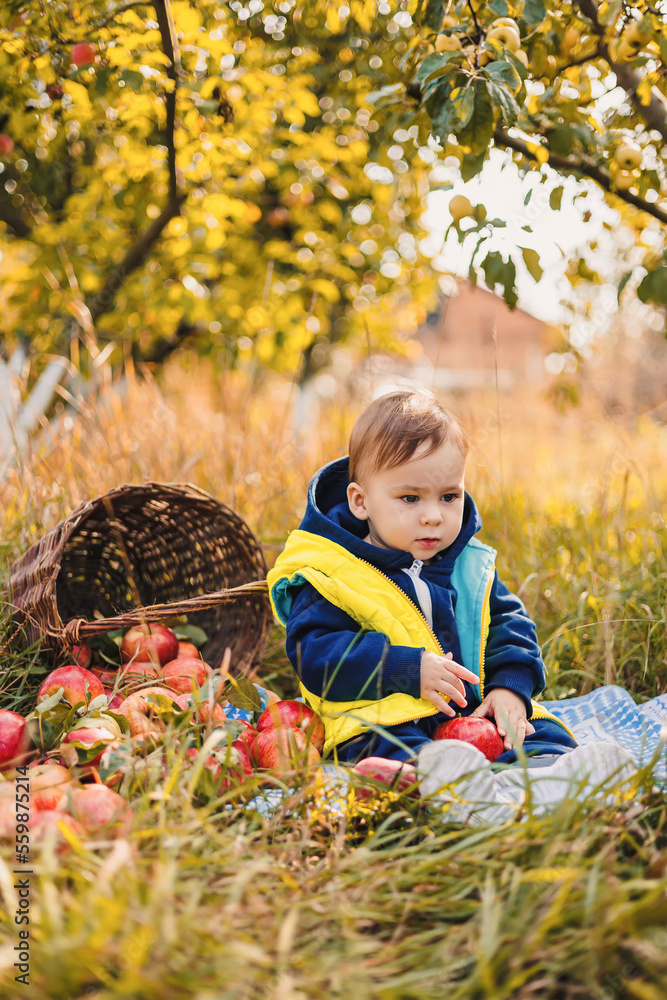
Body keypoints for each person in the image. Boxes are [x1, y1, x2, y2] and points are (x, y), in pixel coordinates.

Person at [266, 389, 637, 820]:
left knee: (535, 729)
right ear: (360, 501)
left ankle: (552, 778)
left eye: (449, 496)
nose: (433, 516)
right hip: (383, 715)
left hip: (472, 708)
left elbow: (508, 625)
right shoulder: (332, 573)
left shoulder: (466, 562)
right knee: (389, 747)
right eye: (410, 498)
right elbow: (317, 656)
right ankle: (444, 790)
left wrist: (508, 689)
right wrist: (406, 670)